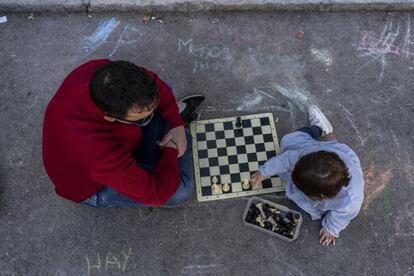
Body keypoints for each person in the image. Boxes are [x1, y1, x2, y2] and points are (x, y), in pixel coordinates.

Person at [42, 59, 205, 208]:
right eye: (142, 119)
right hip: (96, 185)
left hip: (118, 146)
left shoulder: (99, 72)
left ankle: (157, 152)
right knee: (182, 188)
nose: (149, 115)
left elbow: (156, 84)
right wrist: (171, 149)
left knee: (162, 95)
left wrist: (176, 125)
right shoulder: (94, 150)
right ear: (110, 117)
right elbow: (157, 194)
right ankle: (158, 157)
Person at [250, 105, 364, 246]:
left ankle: (324, 133)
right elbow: (286, 160)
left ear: (322, 197)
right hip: (320, 151)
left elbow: (342, 216)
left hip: (333, 163)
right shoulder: (307, 155)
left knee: (299, 206)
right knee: (288, 141)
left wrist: (331, 229)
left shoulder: (350, 201)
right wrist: (264, 172)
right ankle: (319, 130)